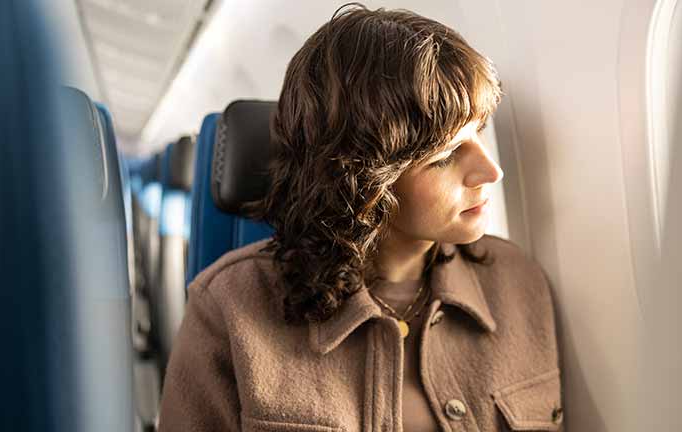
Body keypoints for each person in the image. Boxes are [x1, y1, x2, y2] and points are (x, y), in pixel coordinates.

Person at [158, 3, 564, 431]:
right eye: (444, 156)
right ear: (361, 178)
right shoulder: (231, 306)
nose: (491, 171)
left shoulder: (518, 283)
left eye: (478, 132)